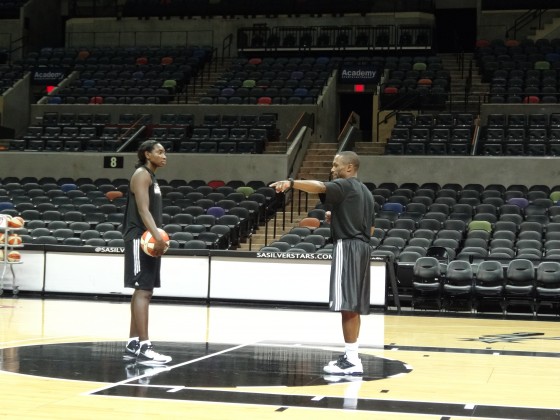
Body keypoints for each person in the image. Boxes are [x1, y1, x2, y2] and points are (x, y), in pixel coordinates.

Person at [270, 151, 374, 375]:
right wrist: (336, 217)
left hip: (348, 247)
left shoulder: (344, 185)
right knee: (352, 305)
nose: (332, 169)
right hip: (363, 247)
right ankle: (352, 356)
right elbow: (370, 228)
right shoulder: (366, 192)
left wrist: (291, 182)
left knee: (346, 304)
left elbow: (319, 186)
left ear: (349, 168)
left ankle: (352, 360)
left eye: (336, 165)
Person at [122, 140, 172, 365]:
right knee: (143, 291)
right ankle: (144, 345)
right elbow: (143, 210)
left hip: (147, 239)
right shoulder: (141, 174)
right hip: (138, 238)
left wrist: (158, 235)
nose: (164, 156)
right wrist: (158, 236)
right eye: (159, 152)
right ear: (147, 154)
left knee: (143, 290)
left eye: (164, 152)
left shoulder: (152, 177)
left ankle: (133, 342)